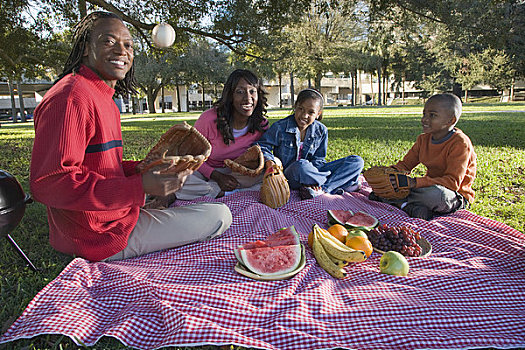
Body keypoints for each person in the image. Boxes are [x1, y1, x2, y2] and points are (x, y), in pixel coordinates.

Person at [29, 11, 232, 262]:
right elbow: (49, 183)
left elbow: (101, 168)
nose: (121, 51)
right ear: (84, 48)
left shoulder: (102, 97)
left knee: (196, 189)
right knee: (220, 216)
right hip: (97, 238)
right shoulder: (71, 97)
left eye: (128, 45)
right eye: (108, 41)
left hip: (119, 218)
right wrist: (140, 187)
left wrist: (143, 171)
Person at [369, 93, 477, 220]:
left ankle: (398, 203)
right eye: (424, 114)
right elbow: (404, 166)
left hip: (453, 195)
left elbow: (452, 183)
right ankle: (406, 205)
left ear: (451, 120)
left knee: (436, 195)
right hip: (426, 187)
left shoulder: (460, 143)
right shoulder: (423, 139)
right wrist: (389, 174)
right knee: (388, 188)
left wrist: (414, 183)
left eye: (432, 115)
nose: (424, 119)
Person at [175, 69, 269, 200]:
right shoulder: (208, 119)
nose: (248, 98)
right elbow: (191, 155)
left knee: (265, 177)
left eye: (252, 91)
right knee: (178, 178)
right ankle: (222, 193)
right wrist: (216, 176)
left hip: (237, 173)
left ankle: (216, 192)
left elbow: (264, 154)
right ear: (230, 96)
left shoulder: (261, 124)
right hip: (205, 170)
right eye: (240, 92)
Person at [256, 88, 364, 199]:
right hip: (291, 175)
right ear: (295, 107)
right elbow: (262, 146)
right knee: (301, 165)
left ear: (318, 114)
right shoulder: (280, 127)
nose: (304, 115)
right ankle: (341, 183)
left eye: (311, 112)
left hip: (313, 173)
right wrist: (271, 161)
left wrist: (313, 174)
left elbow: (319, 159)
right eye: (301, 109)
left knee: (357, 162)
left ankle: (323, 189)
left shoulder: (321, 130)